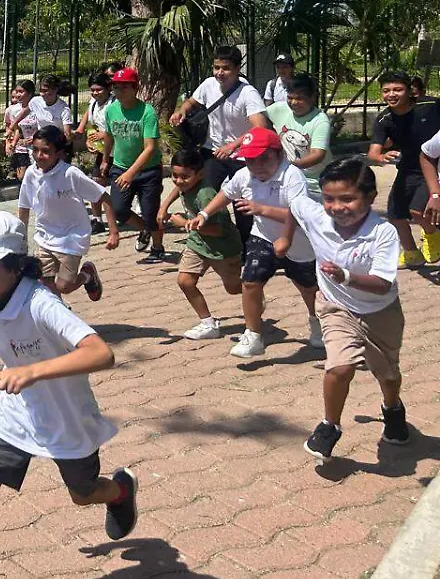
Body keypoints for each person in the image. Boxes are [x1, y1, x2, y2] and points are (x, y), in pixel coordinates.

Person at [0, 212, 137, 579]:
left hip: (64, 415)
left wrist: (29, 371)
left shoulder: (43, 303)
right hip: (13, 411)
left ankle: (121, 491)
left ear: (14, 267)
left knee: (83, 493)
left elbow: (101, 353)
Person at [271, 159, 409, 462]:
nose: (337, 207)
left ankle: (393, 408)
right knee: (339, 368)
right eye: (329, 199)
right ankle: (329, 425)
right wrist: (286, 236)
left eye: (347, 198)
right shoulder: (318, 216)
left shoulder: (383, 233)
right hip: (337, 308)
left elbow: (383, 284)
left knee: (387, 375)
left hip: (380, 313)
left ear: (371, 197)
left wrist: (346, 276)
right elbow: (296, 205)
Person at [186, 127, 322, 358]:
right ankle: (253, 336)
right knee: (250, 281)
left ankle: (317, 323)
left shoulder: (292, 176)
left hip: (299, 242)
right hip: (263, 237)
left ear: (279, 154)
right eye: (250, 160)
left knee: (308, 288)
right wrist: (205, 214)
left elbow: (300, 216)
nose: (257, 165)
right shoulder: (244, 175)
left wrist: (261, 209)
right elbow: (226, 194)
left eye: (263, 158)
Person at [170, 45, 269, 243]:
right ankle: (208, 233)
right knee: (203, 193)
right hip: (212, 151)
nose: (219, 73)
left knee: (241, 204)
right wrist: (181, 111)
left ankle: (243, 244)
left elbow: (260, 127)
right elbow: (192, 102)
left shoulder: (248, 93)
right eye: (216, 68)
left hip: (241, 156)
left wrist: (234, 145)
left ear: (237, 68)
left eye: (225, 68)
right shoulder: (208, 85)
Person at [18, 125, 120, 301]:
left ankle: (87, 275)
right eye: (35, 150)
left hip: (72, 236)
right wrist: (21, 239)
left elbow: (104, 197)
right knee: (45, 283)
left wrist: (113, 232)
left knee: (64, 286)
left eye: (45, 151)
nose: (38, 156)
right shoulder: (31, 174)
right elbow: (24, 206)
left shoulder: (70, 174)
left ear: (59, 153)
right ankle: (58, 318)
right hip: (45, 236)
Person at [159, 148, 244, 340]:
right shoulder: (185, 185)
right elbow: (177, 188)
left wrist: (184, 225)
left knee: (233, 288)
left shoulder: (206, 195)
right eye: (174, 175)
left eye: (185, 177)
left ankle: (253, 292)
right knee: (185, 281)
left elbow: (217, 230)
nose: (178, 181)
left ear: (200, 174)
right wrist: (163, 207)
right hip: (198, 244)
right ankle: (208, 323)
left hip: (223, 248)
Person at [367, 71, 440, 266]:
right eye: (386, 90)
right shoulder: (385, 119)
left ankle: (434, 236)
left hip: (433, 168)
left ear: (409, 91)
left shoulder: (430, 106)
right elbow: (372, 153)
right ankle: (411, 254)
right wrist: (381, 156)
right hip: (407, 170)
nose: (392, 94)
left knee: (418, 211)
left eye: (398, 89)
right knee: (396, 215)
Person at [101, 67, 166, 262]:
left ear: (135, 88)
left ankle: (157, 247)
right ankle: (144, 229)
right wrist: (105, 159)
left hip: (148, 171)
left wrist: (131, 174)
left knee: (150, 213)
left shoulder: (147, 112)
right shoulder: (111, 110)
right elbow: (109, 137)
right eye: (115, 87)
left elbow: (150, 148)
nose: (118, 91)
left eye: (123, 87)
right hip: (120, 168)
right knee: (119, 209)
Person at [266, 73, 333, 198]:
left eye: (300, 98)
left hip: (315, 184)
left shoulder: (320, 121)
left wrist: (290, 166)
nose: (294, 102)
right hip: (288, 180)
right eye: (290, 98)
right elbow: (257, 118)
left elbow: (317, 155)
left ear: (313, 97)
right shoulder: (279, 109)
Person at [78, 73, 116, 233]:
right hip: (103, 151)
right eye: (92, 90)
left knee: (120, 188)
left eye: (98, 90)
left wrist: (105, 134)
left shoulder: (115, 104)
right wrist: (89, 140)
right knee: (95, 184)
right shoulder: (93, 103)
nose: (95, 93)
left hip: (119, 151)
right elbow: (91, 125)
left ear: (108, 89)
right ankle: (97, 219)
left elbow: (117, 128)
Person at [4, 80, 38, 181]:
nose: (18, 95)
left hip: (38, 145)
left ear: (30, 93)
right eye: (17, 91)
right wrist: (12, 143)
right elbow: (17, 129)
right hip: (22, 146)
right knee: (22, 177)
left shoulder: (38, 106)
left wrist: (35, 138)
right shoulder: (13, 110)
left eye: (21, 92)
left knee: (38, 173)